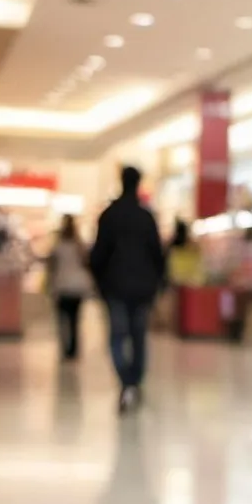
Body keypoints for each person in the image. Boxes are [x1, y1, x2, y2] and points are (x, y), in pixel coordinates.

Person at [90, 166, 165, 413]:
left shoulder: (109, 215)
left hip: (116, 286)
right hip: (143, 287)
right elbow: (157, 254)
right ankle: (134, 381)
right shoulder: (146, 217)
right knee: (138, 336)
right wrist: (159, 283)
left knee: (117, 336)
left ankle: (126, 382)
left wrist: (100, 282)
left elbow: (98, 254)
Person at [46, 215, 91, 360]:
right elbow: (87, 263)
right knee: (74, 320)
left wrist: (50, 284)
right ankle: (74, 349)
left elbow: (51, 267)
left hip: (62, 285)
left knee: (62, 319)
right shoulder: (79, 245)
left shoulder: (58, 246)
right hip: (76, 286)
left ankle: (65, 348)